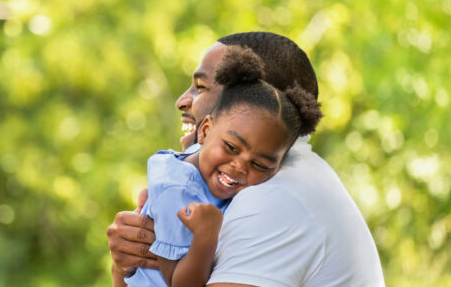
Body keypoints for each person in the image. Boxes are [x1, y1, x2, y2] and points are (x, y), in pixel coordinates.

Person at [107, 32, 385, 286]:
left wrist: (201, 240)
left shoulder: (273, 197)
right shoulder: (242, 178)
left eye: (201, 87)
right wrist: (126, 267)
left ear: (252, 99)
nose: (182, 100)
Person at [121, 47, 322, 287]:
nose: (239, 166)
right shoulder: (176, 193)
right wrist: (205, 236)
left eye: (259, 164)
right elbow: (178, 283)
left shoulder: (207, 161)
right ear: (204, 130)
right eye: (231, 147)